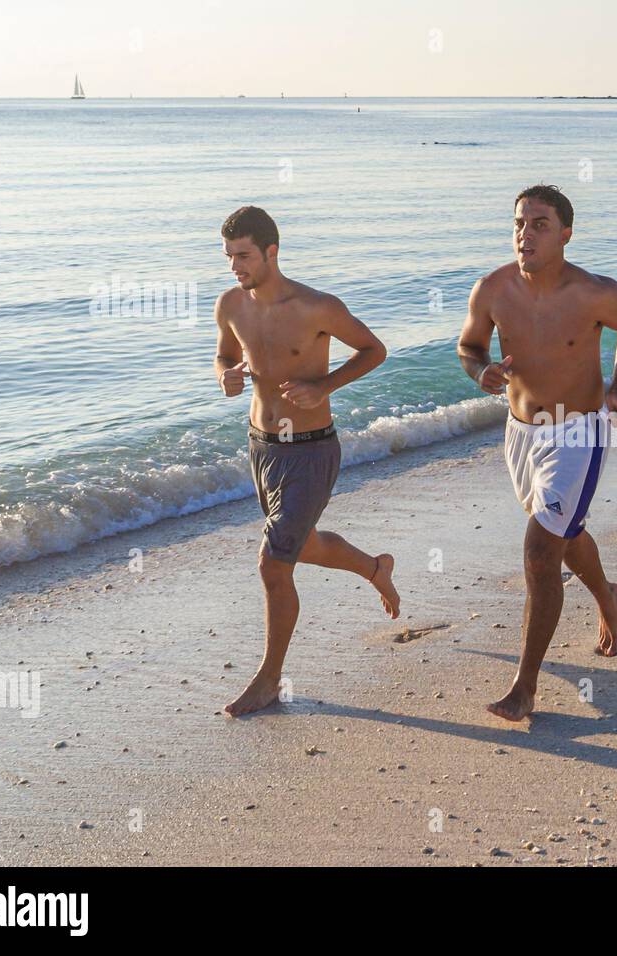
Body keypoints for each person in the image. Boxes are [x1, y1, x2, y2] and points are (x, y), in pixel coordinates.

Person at [457, 185, 617, 722]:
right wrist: (481, 371)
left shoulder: (594, 292)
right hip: (520, 433)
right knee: (561, 535)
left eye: (540, 224)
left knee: (542, 552)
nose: (526, 233)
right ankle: (607, 595)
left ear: (566, 233)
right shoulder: (492, 289)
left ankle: (524, 687)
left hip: (577, 435)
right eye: (520, 223)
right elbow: (469, 347)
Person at [214, 205, 400, 716]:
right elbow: (225, 355)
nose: (235, 267)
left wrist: (324, 384)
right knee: (302, 544)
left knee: (274, 563)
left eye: (244, 256)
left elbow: (373, 349)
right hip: (262, 446)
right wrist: (227, 374)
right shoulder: (231, 304)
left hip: (312, 451)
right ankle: (375, 567)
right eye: (229, 256)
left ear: (272, 252)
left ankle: (270, 680)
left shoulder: (317, 306)